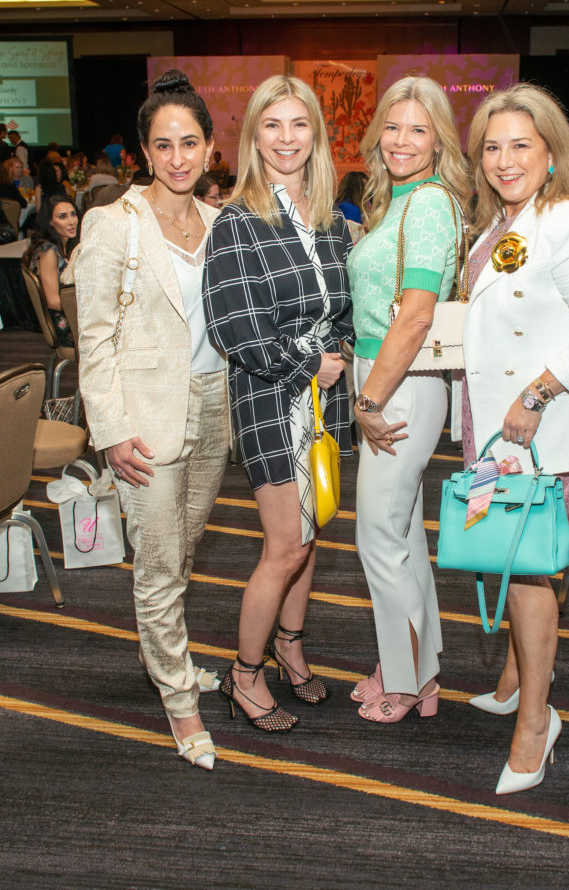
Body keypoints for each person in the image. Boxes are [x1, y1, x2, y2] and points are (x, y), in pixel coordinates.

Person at [461, 83, 569, 794]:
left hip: (539, 428)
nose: (504, 159)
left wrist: (536, 393)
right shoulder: (501, 223)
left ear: (552, 153)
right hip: (497, 426)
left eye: (520, 145)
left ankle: (535, 723)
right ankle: (514, 675)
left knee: (528, 572)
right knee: (509, 555)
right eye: (492, 147)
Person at [75, 70, 232, 771]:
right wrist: (108, 428)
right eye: (163, 144)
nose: (177, 157)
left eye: (189, 142)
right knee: (160, 564)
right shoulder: (113, 222)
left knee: (183, 550)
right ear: (142, 150)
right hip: (144, 414)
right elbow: (94, 335)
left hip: (213, 403)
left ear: (208, 148)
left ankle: (168, 658)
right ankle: (179, 700)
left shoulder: (221, 222)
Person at [203, 75, 353, 732]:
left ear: (315, 134)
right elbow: (234, 327)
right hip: (269, 390)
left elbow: (343, 307)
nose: (287, 139)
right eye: (272, 125)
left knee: (310, 529)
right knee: (284, 545)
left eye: (299, 124)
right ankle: (244, 673)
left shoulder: (327, 221)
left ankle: (291, 646)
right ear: (254, 136)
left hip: (323, 393)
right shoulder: (237, 220)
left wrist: (339, 352)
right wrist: (312, 363)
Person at [345, 76, 470, 724]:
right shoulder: (399, 200)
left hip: (400, 386)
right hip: (392, 380)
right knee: (400, 537)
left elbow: (417, 316)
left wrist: (366, 399)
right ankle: (418, 670)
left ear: (438, 140)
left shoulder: (426, 204)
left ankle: (405, 680)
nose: (401, 139)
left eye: (418, 129)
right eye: (393, 126)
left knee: (378, 537)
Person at [22, 194, 80, 346]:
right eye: (63, 217)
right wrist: (87, 308)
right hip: (66, 325)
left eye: (73, 214)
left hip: (72, 316)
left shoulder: (64, 248)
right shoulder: (48, 252)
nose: (71, 221)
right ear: (51, 222)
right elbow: (53, 301)